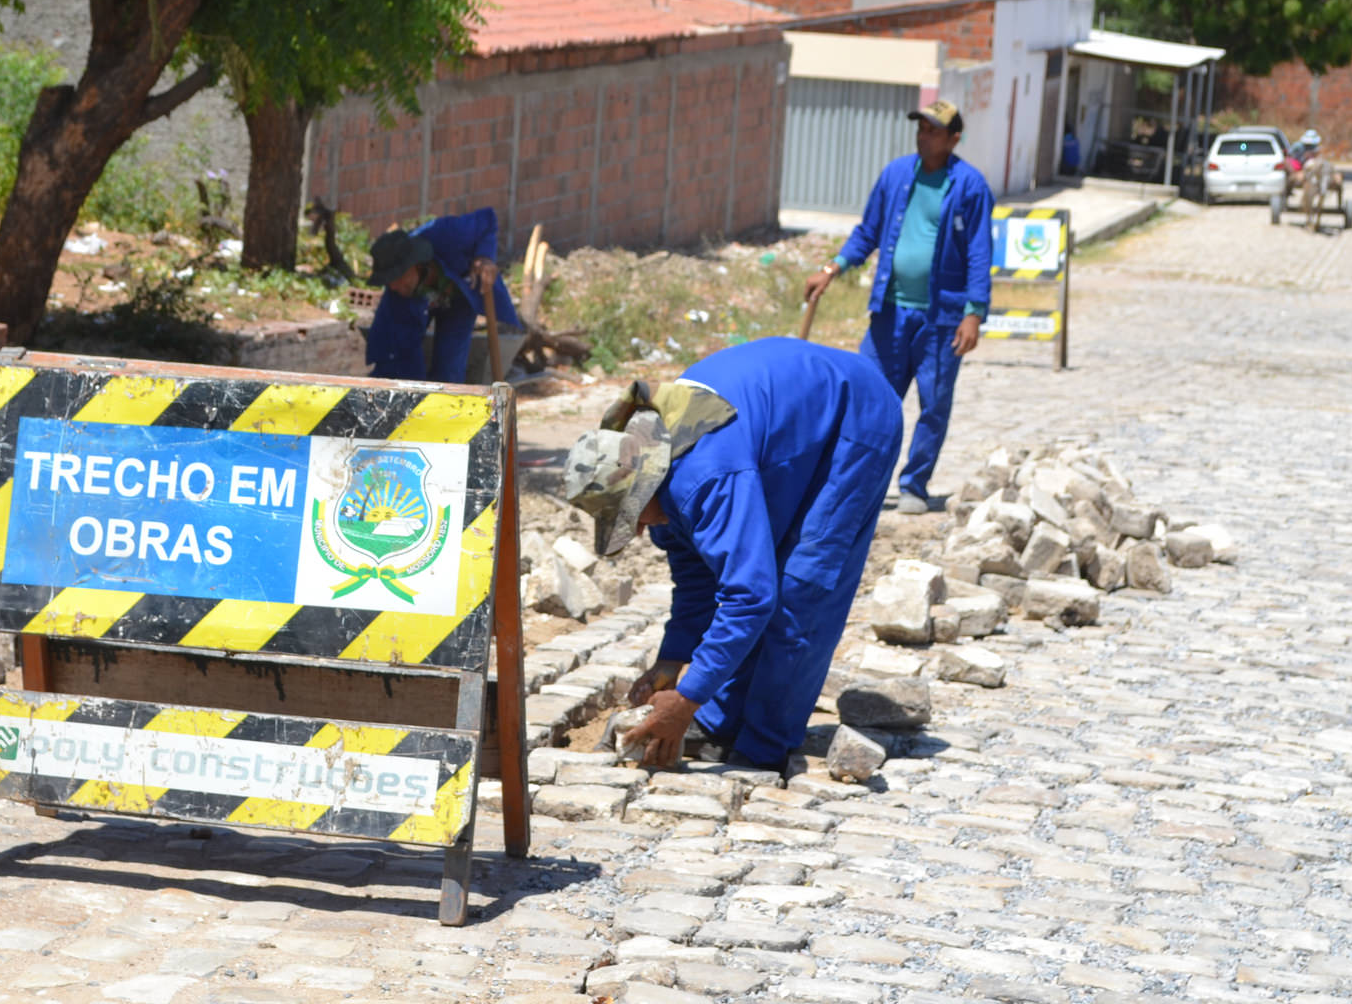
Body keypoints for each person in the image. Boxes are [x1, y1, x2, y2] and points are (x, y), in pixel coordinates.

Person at [562, 338, 902, 772]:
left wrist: (686, 698)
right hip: (786, 433)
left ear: (643, 485)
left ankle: (763, 748)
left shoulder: (702, 479)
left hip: (855, 416)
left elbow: (750, 596)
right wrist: (672, 659)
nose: (640, 528)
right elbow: (697, 581)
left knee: (801, 586)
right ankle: (720, 724)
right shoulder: (660, 474)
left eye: (632, 517)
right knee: (755, 568)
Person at [802, 99, 993, 514]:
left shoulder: (970, 187)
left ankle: (914, 485)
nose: (924, 136)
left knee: (933, 404)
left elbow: (979, 253)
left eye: (934, 130)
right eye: (921, 128)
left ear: (954, 138)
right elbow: (867, 231)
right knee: (868, 395)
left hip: (942, 320)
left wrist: (974, 313)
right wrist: (831, 268)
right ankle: (855, 483)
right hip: (890, 312)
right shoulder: (896, 175)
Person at [365, 208, 520, 383]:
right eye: (388, 281)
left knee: (450, 369)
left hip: (460, 295)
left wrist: (484, 256)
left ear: (415, 264)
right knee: (400, 361)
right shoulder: (398, 295)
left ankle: (449, 406)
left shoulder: (449, 234)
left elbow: (487, 218)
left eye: (397, 277)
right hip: (417, 304)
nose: (392, 286)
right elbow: (397, 357)